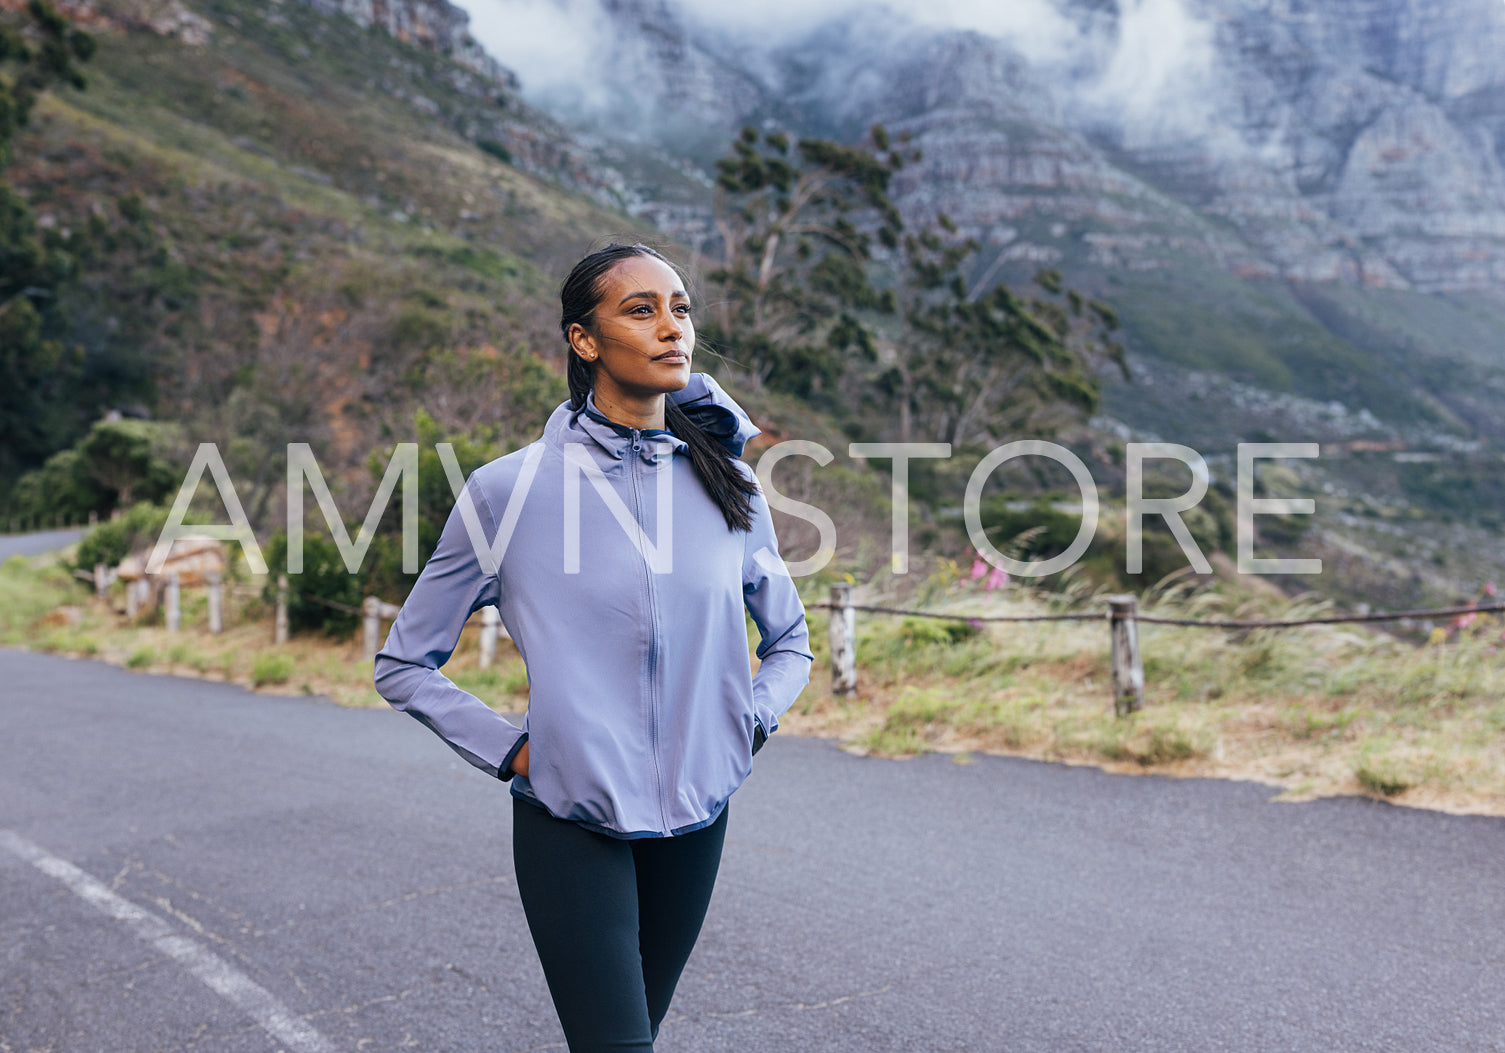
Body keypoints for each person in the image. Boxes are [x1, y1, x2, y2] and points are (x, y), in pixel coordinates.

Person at [373, 242, 813, 1052]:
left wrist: (745, 720)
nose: (670, 326)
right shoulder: (508, 490)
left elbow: (790, 640)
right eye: (639, 309)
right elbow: (403, 663)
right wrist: (513, 751)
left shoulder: (727, 484)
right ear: (584, 339)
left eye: (679, 307)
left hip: (697, 816)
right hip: (571, 819)